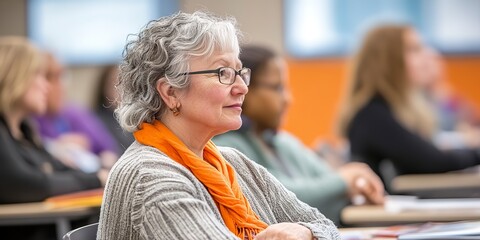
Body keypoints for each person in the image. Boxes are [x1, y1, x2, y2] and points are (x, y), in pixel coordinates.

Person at [98, 11, 340, 240]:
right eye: (223, 72)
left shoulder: (232, 163)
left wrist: (304, 232)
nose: (242, 88)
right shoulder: (150, 178)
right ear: (170, 92)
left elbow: (327, 226)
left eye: (239, 72)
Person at [213, 45, 384, 225]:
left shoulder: (283, 142)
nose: (288, 99)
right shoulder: (226, 147)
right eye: (277, 88)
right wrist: (346, 181)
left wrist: (352, 184)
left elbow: (329, 181)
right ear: (244, 89)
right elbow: (281, 197)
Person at [338, 25, 480, 183]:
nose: (426, 56)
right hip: (386, 206)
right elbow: (433, 161)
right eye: (414, 50)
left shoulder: (394, 110)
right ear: (388, 61)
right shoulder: (372, 115)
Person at [0, 37, 108, 239]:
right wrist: (96, 179)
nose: (46, 87)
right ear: (13, 76)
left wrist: (99, 176)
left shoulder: (24, 131)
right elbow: (28, 185)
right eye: (38, 76)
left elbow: (60, 169)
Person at [34, 53, 119, 171]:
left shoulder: (75, 113)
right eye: (53, 79)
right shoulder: (31, 121)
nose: (61, 86)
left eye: (62, 78)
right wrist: (58, 147)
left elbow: (109, 151)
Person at [95, 64, 135, 153]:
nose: (119, 88)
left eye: (123, 83)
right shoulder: (95, 120)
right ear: (104, 86)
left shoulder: (136, 120)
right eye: (113, 83)